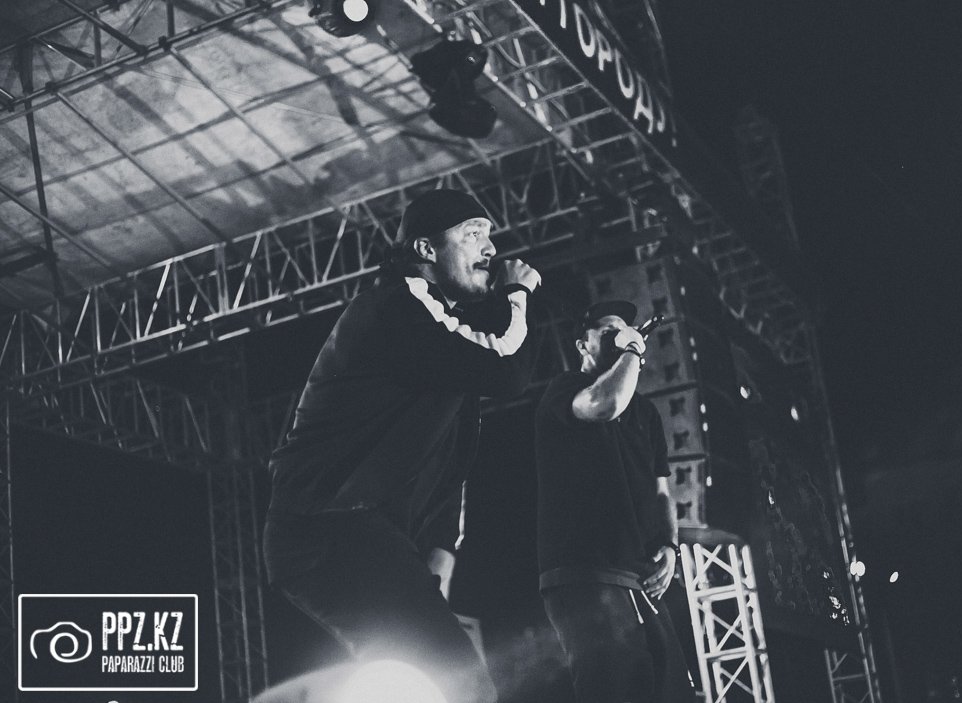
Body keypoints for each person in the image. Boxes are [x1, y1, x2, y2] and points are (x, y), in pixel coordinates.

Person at [261, 189, 541, 703]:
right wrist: (517, 294)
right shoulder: (399, 304)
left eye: (490, 236)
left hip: (351, 534)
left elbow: (448, 461)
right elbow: (507, 369)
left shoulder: (438, 334)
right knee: (461, 683)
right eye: (472, 235)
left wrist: (438, 553)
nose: (490, 249)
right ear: (426, 250)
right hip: (328, 525)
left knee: (427, 682)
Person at [534, 301, 696, 703]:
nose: (619, 338)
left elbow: (662, 492)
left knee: (673, 691)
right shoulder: (564, 390)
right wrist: (633, 349)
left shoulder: (647, 414)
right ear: (582, 344)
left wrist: (670, 546)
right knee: (613, 690)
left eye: (624, 331)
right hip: (585, 573)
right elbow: (604, 404)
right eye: (608, 333)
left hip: (639, 578)